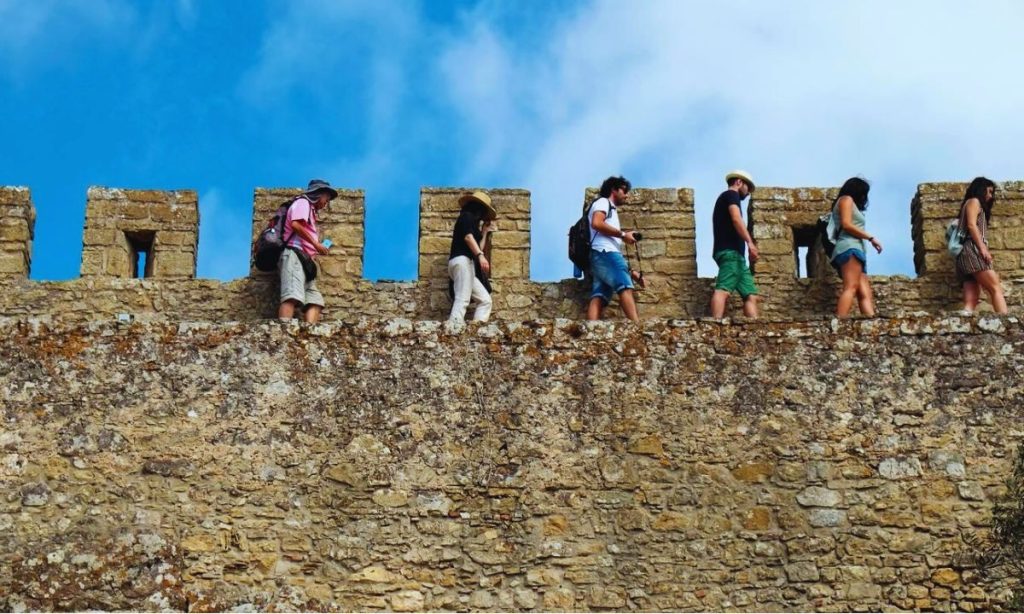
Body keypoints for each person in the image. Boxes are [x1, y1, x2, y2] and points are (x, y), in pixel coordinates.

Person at [278, 179, 336, 323]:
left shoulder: (310, 210)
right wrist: (316, 244)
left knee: (315, 301)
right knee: (291, 296)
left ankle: (309, 335)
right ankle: (283, 333)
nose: (326, 203)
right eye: (326, 199)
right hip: (294, 255)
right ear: (318, 194)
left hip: (305, 261)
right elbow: (296, 225)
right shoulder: (303, 203)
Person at [587, 176, 644, 322]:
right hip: (605, 252)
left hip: (598, 255)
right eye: (624, 190)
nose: (626, 195)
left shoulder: (606, 207)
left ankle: (590, 330)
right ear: (614, 189)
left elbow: (613, 268)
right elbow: (597, 223)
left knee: (600, 294)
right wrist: (623, 235)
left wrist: (632, 273)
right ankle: (637, 326)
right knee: (624, 286)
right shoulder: (603, 202)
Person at [709, 170, 760, 319]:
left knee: (750, 295)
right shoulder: (731, 195)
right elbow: (736, 219)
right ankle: (714, 327)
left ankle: (754, 330)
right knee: (723, 290)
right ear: (739, 182)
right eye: (748, 188)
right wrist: (750, 243)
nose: (749, 193)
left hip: (737, 257)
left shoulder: (728, 197)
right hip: (730, 253)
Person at [830, 177, 883, 318]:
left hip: (857, 249)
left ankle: (872, 325)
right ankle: (839, 323)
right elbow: (846, 224)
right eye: (864, 193)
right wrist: (870, 238)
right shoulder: (846, 199)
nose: (865, 197)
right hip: (849, 247)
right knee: (851, 287)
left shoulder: (852, 204)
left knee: (864, 292)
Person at [956, 177, 1006, 314]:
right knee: (995, 287)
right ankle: (1008, 323)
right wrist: (983, 249)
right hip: (973, 249)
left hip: (964, 252)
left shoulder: (968, 204)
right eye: (988, 191)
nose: (990, 196)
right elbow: (972, 225)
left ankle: (965, 318)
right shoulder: (974, 201)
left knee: (971, 299)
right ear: (980, 189)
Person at [448, 191, 497, 323]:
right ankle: (453, 326)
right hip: (462, 261)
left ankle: (477, 328)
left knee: (485, 300)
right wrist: (481, 256)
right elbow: (468, 238)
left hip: (467, 265)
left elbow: (478, 247)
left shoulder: (473, 225)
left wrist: (485, 232)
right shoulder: (466, 217)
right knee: (462, 297)